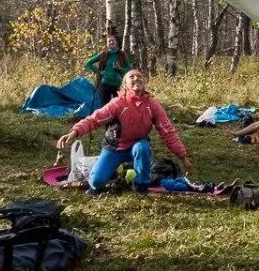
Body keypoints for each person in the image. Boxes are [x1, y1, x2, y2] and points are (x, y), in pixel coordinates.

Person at [56, 69, 194, 195]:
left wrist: (182, 157)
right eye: (131, 76)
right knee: (97, 182)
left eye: (139, 76)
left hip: (137, 147)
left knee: (143, 147)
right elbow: (95, 119)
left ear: (144, 82)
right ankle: (112, 176)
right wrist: (74, 132)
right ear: (125, 84)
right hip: (115, 148)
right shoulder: (118, 103)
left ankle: (141, 187)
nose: (136, 78)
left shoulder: (152, 105)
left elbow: (167, 130)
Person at [85, 35, 134, 106]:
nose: (111, 42)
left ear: (116, 42)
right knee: (105, 107)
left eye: (113, 40)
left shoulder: (122, 54)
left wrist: (120, 68)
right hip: (105, 84)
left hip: (118, 85)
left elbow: (129, 69)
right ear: (107, 44)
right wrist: (99, 72)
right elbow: (88, 63)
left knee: (118, 106)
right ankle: (107, 117)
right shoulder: (104, 54)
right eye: (109, 41)